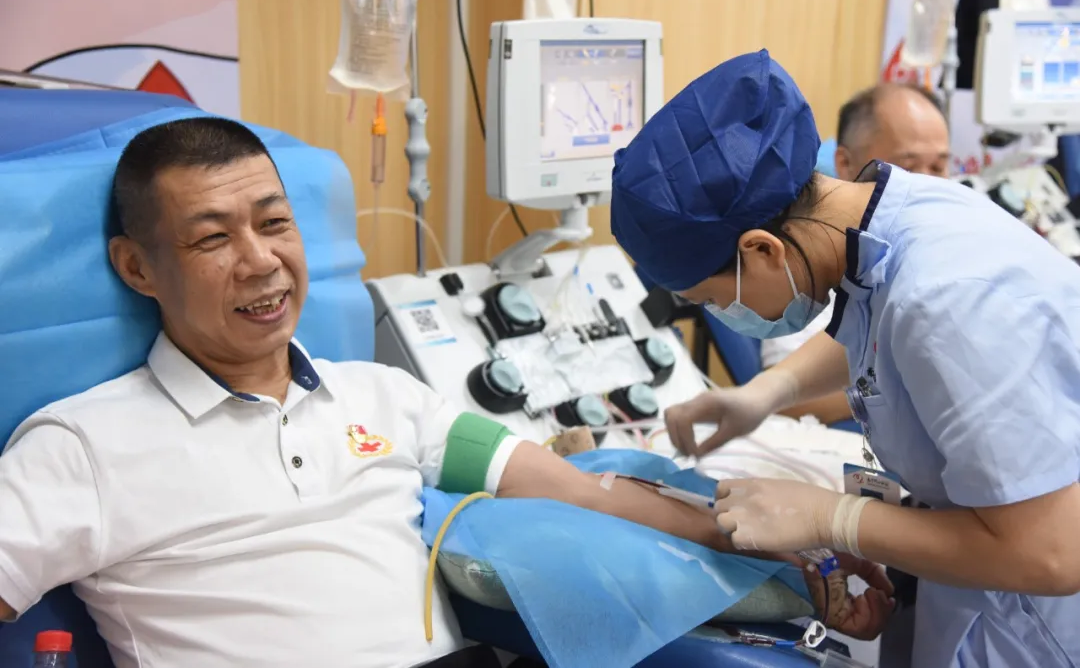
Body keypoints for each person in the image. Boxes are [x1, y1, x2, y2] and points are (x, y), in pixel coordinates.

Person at [0, 117, 888, 668]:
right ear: (136, 267)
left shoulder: (385, 400)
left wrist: (802, 554)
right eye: (211, 239)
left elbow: (581, 491)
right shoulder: (83, 446)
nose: (261, 260)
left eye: (275, 223)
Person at [611, 49, 1080, 667]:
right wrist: (767, 392)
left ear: (762, 250)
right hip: (975, 579)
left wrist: (836, 519)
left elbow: (1051, 554)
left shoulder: (949, 300)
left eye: (711, 299)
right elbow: (880, 326)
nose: (722, 312)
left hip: (1038, 622)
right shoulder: (885, 213)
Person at [760, 83, 951, 426]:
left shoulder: (961, 246)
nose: (926, 185)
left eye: (938, 167)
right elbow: (790, 401)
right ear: (845, 163)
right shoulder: (821, 261)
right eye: (908, 166)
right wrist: (908, 394)